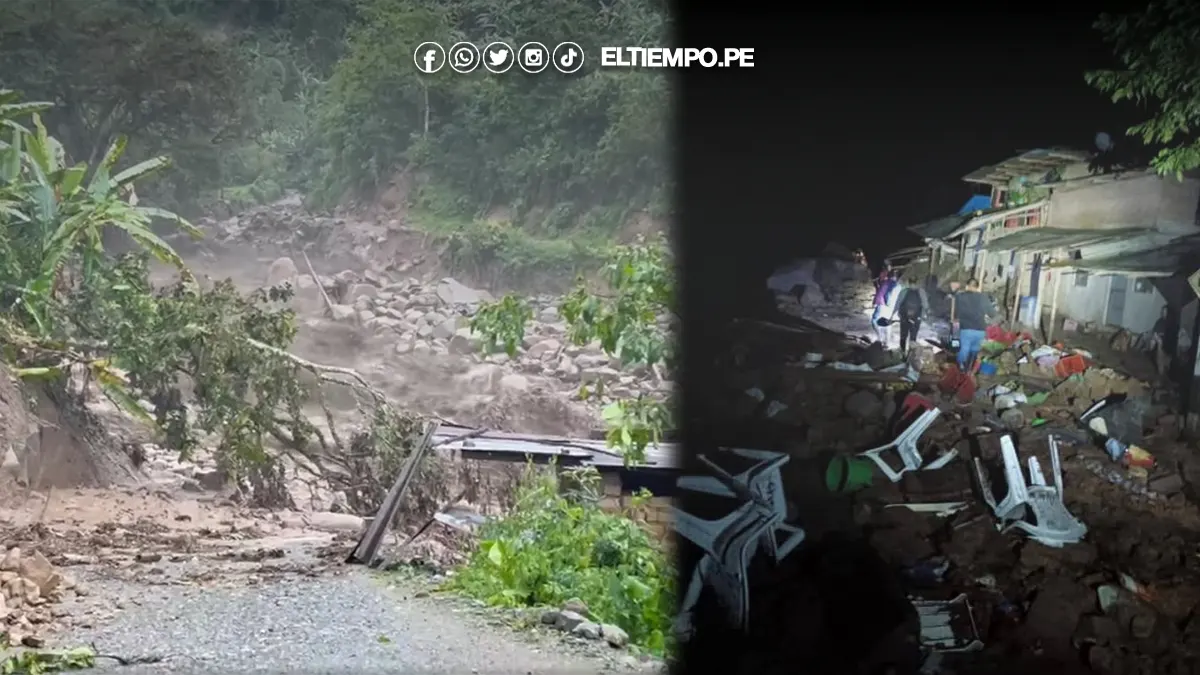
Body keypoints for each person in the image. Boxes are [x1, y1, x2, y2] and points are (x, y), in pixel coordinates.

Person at [950, 278, 996, 371]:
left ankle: (960, 370)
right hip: (980, 331)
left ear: (967, 286)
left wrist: (954, 331)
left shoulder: (960, 296)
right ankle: (971, 371)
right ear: (977, 287)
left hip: (965, 330)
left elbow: (955, 315)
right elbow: (992, 314)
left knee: (963, 352)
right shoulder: (983, 297)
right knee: (974, 353)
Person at [894, 278, 929, 353]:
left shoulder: (904, 291)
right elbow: (925, 305)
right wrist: (924, 315)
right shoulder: (921, 291)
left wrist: (892, 315)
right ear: (917, 283)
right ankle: (911, 355)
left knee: (903, 337)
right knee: (913, 338)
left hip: (904, 318)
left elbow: (898, 303)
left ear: (909, 283)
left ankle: (902, 354)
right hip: (916, 318)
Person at [871, 271, 901, 346]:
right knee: (887, 323)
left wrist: (876, 303)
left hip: (883, 306)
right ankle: (887, 342)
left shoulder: (886, 283)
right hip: (891, 307)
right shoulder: (898, 286)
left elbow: (881, 293)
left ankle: (880, 338)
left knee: (874, 320)